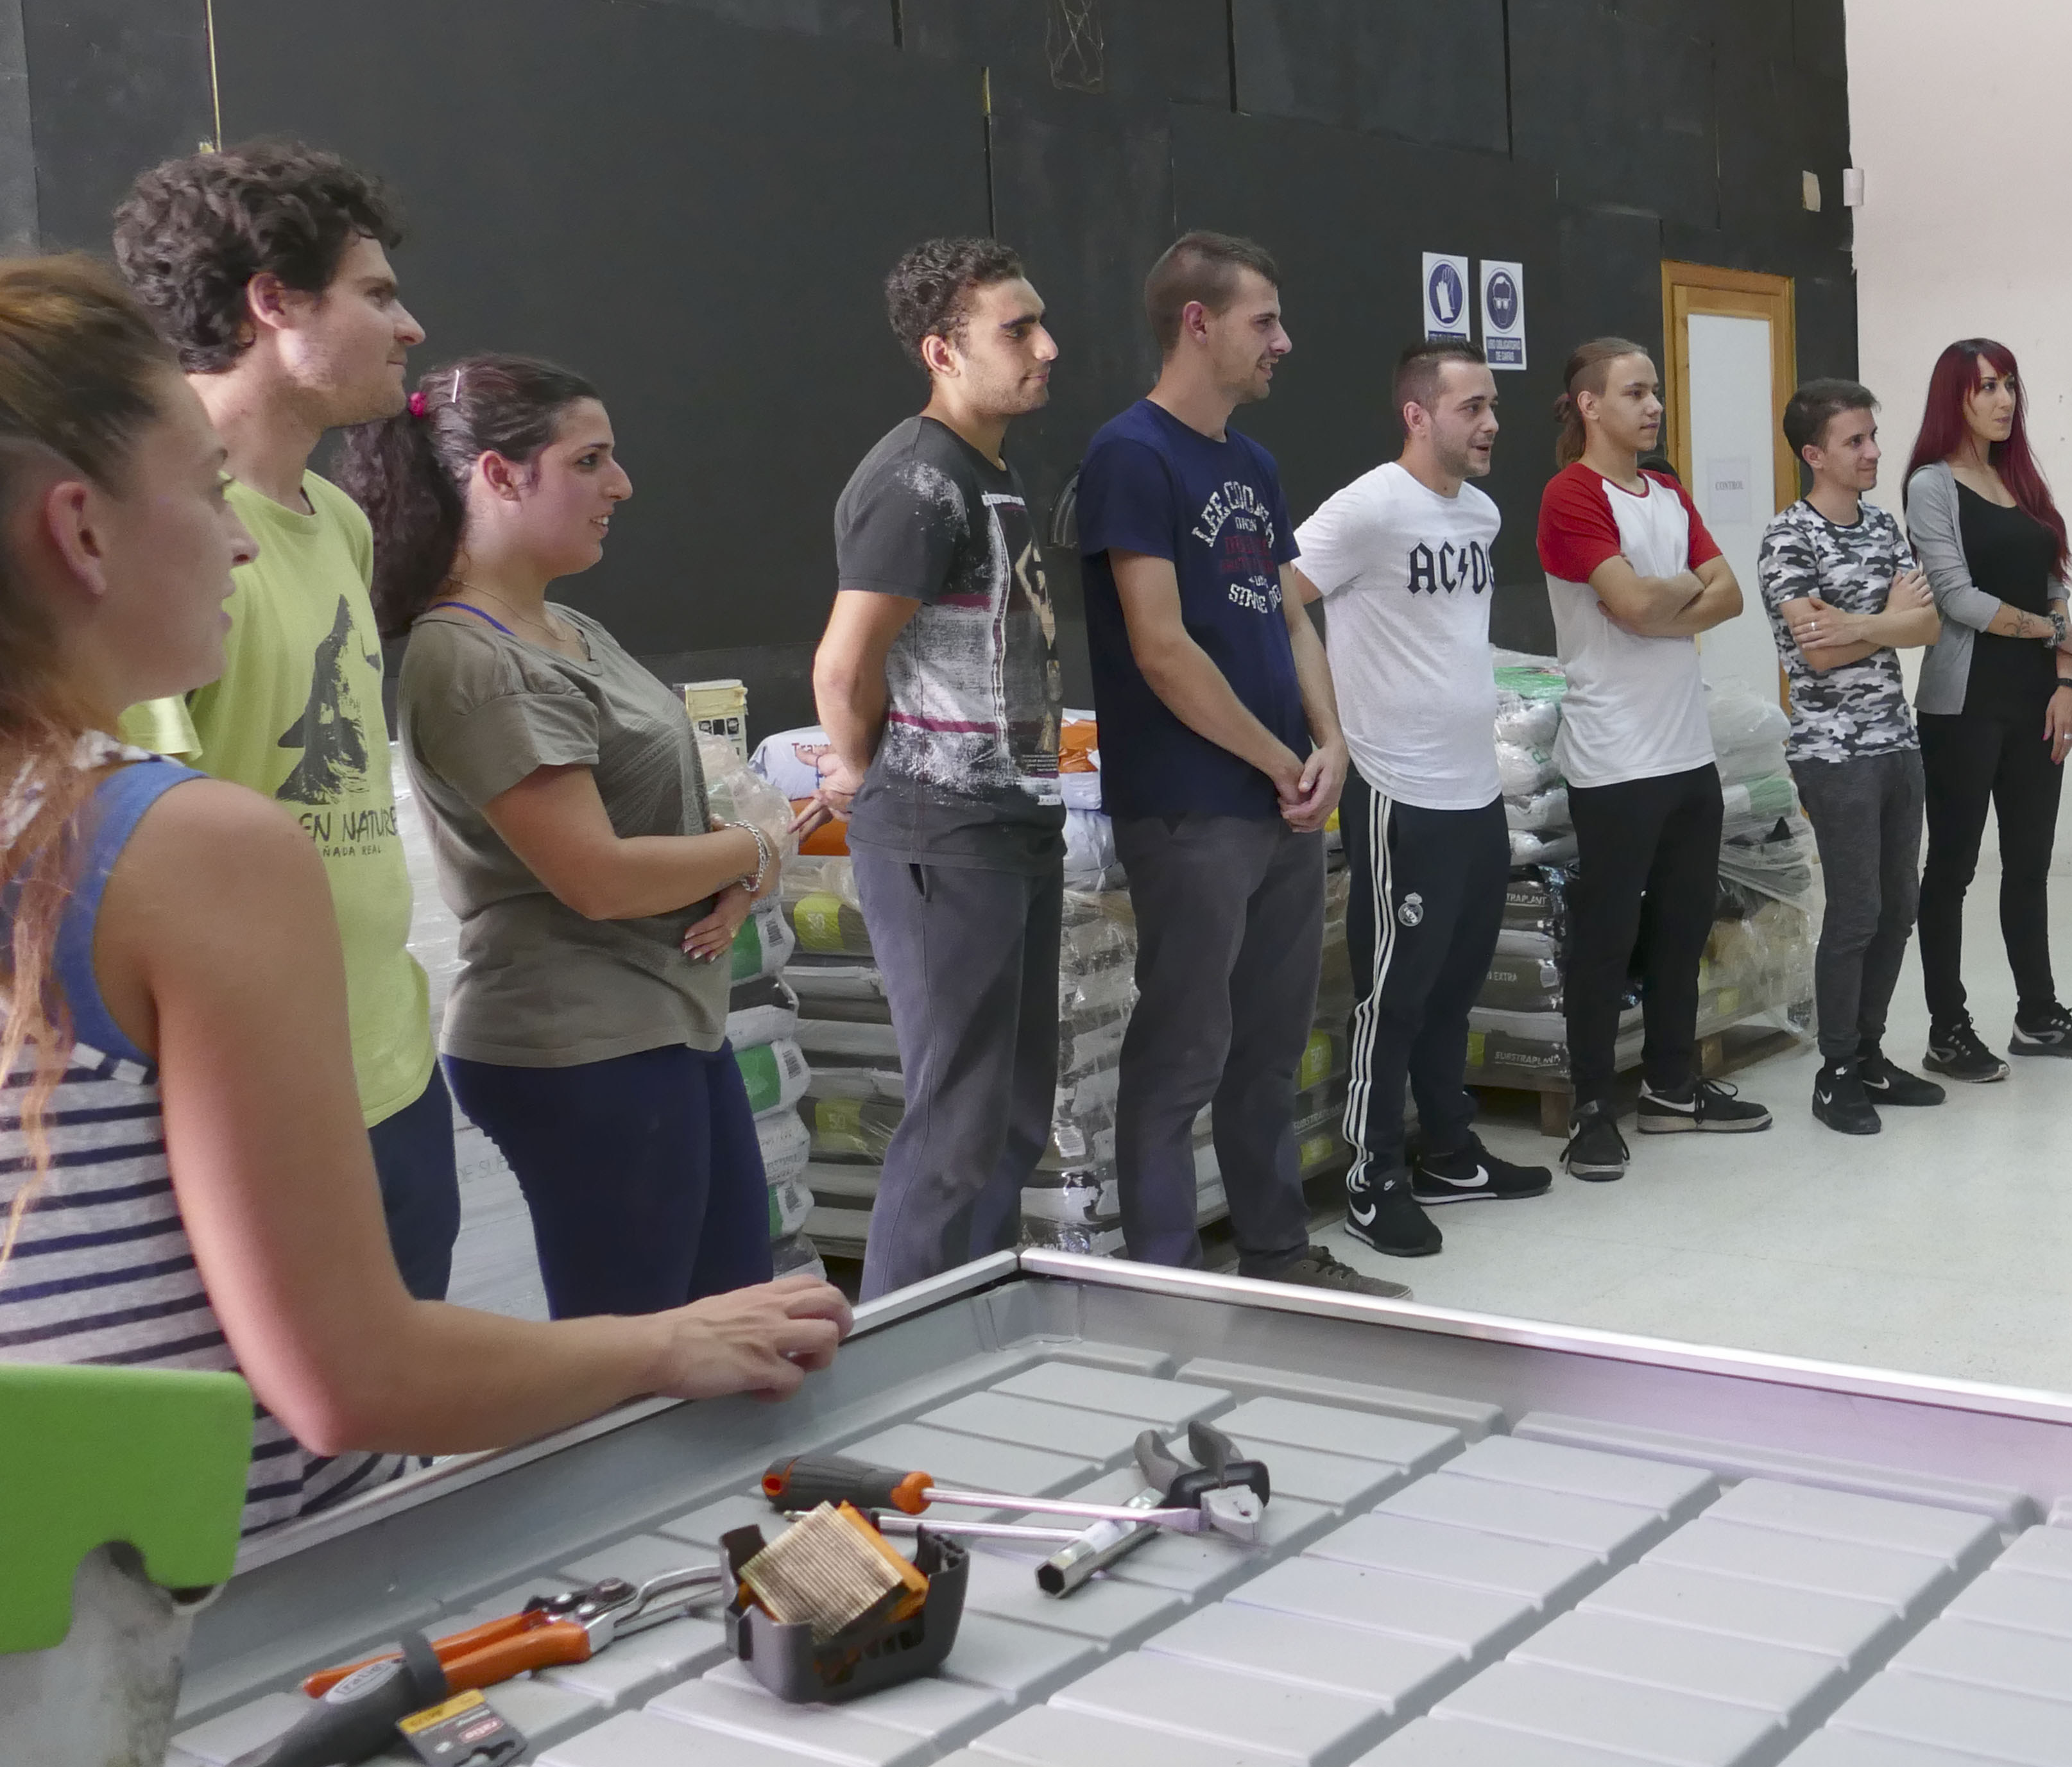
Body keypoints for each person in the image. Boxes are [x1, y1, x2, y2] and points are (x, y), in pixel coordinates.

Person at [0, 256, 847, 1533]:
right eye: (210, 492)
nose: (243, 539)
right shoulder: (181, 847)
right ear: (80, 532)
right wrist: (669, 1344)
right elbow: (351, 1378)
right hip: (219, 1575)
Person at [336, 354, 807, 1318]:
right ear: (499, 477)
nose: (620, 485)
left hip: (667, 1018)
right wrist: (759, 847)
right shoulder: (476, 660)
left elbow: (658, 813)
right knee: (639, 1351)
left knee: (732, 1320)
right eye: (589, 461)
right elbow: (599, 877)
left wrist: (734, 864)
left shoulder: (568, 627)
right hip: (586, 1045)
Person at [108, 144, 460, 1301]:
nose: (410, 327)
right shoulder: (164, 541)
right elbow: (132, 869)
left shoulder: (340, 523)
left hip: (393, 1074)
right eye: (376, 294)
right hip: (261, 1111)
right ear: (273, 302)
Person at [1075, 232, 1399, 1295]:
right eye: (1264, 321)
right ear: (1196, 322)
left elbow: (1290, 615)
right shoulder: (1132, 455)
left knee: (1268, 1048)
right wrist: (1277, 760)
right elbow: (1161, 647)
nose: (1283, 341)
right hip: (1191, 808)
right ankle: (1167, 1284)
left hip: (1281, 801)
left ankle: (1277, 1253)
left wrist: (1329, 741)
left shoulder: (1253, 464)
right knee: (1181, 1055)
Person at [814, 239, 1068, 1297]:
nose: (1047, 347)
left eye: (1040, 323)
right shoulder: (919, 481)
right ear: (942, 352)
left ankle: (978, 1328)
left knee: (1007, 1116)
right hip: (943, 833)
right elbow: (842, 666)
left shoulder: (983, 469)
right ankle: (901, 1351)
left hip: (1010, 827)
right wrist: (878, 777)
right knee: (955, 1127)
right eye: (1018, 330)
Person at [1289, 346, 1555, 1258]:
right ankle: (1371, 1177)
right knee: (1394, 996)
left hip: (1475, 790)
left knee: (1453, 988)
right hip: (1397, 790)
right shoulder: (1368, 508)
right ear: (1417, 415)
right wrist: (1329, 729)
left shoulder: (1479, 513)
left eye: (1493, 406)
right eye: (1471, 407)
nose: (1491, 424)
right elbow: (1278, 597)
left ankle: (1449, 1152)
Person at [1536, 336, 1768, 1184]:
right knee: (1608, 939)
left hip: (1685, 752)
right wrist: (1673, 593)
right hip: (1615, 759)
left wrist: (1656, 596)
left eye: (1656, 391)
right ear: (1590, 404)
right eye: (1635, 392)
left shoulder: (1666, 492)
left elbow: (1729, 594)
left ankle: (1672, 1088)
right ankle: (1593, 1109)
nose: (1654, 405)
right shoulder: (1571, 494)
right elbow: (1632, 604)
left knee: (1682, 928)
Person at [1906, 338, 2072, 1080]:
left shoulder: (2019, 478)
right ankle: (1947, 1029)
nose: (2003, 400)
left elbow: (2056, 586)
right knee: (1951, 869)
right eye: (1986, 386)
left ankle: (2038, 1015)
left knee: (2029, 864)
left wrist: (2067, 682)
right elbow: (1956, 598)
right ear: (1953, 397)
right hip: (1964, 705)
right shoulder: (1931, 486)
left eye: (2010, 385)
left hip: (2036, 702)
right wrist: (2049, 634)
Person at [1759, 378, 1946, 1136]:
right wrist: (1887, 620)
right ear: (1815, 455)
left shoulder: (1882, 527)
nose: (1872, 452)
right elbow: (1820, 653)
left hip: (1897, 744)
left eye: (1873, 436)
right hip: (1833, 754)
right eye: (1855, 441)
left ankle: (1869, 1053)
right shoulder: (1789, 538)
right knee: (1857, 910)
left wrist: (1861, 624)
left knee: (1899, 906)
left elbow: (1928, 628)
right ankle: (1835, 1069)